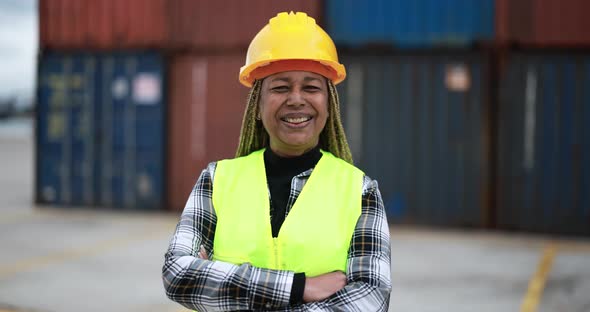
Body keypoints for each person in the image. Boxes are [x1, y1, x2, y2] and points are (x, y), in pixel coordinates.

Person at [162, 11, 391, 311]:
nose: (296, 99)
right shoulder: (217, 180)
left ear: (329, 104)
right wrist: (299, 287)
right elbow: (178, 273)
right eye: (281, 87)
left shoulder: (360, 191)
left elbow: (369, 299)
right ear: (256, 105)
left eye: (311, 87)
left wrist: (222, 285)